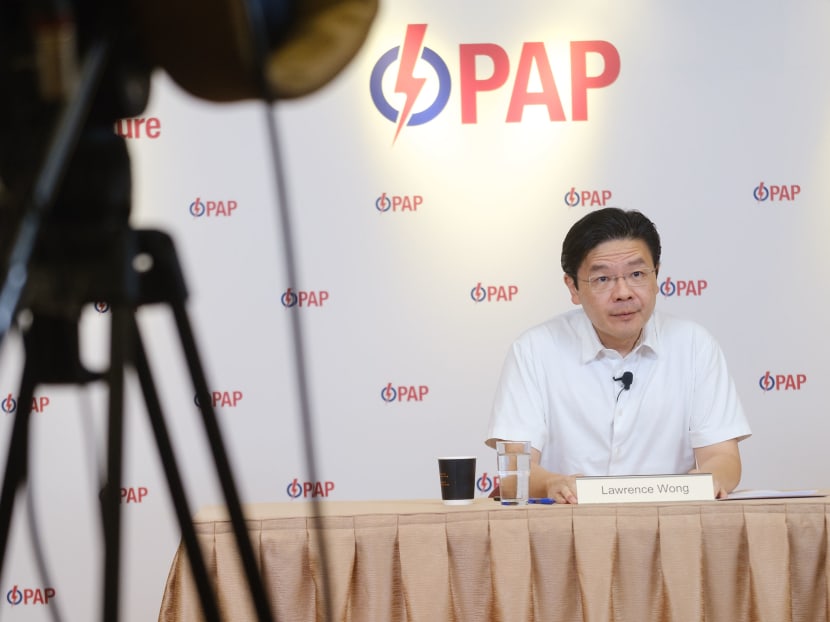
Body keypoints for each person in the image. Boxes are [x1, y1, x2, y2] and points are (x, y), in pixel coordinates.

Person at [485, 207, 751, 503]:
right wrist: (553, 483)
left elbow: (723, 457)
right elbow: (514, 473)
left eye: (637, 274)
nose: (623, 293)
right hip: (566, 528)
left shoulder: (694, 345)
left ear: (656, 275)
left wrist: (706, 480)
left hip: (669, 528)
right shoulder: (534, 350)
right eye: (602, 279)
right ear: (572, 287)